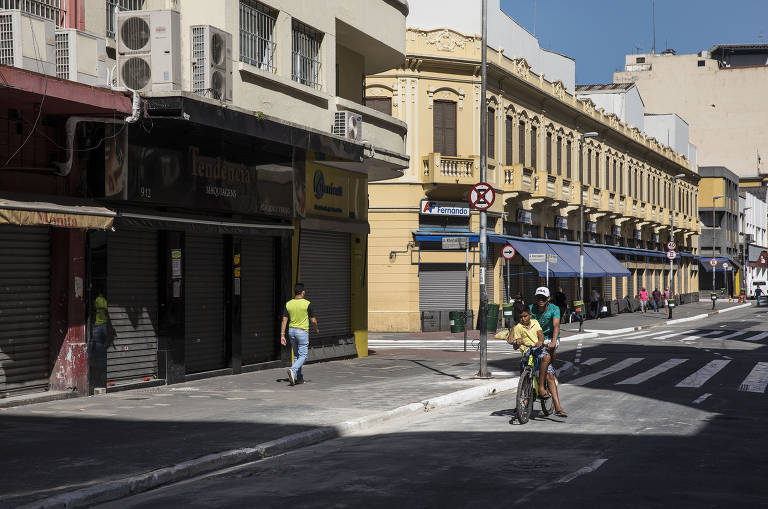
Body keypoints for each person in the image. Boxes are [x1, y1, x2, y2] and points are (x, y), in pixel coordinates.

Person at [507, 308, 566, 417]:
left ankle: (556, 405)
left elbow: (541, 334)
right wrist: (517, 342)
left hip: (538, 350)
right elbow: (513, 344)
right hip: (527, 352)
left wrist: (540, 341)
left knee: (548, 364)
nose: (523, 319)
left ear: (530, 315)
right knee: (522, 366)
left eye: (525, 316)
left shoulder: (535, 322)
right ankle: (524, 398)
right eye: (520, 317)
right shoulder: (518, 327)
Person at [529, 287, 566, 417]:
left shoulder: (554, 309)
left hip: (550, 337)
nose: (541, 300)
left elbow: (556, 326)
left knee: (548, 358)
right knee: (524, 362)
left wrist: (553, 342)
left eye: (543, 298)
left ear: (548, 299)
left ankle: (550, 370)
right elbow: (522, 322)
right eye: (539, 297)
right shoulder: (531, 308)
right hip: (535, 338)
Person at [280, 283, 319, 386]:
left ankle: (299, 378)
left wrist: (282, 335)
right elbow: (313, 320)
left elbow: (284, 320)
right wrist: (316, 329)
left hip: (291, 331)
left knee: (297, 355)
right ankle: (293, 370)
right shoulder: (307, 304)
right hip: (302, 332)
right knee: (304, 356)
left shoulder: (289, 304)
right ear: (303, 292)